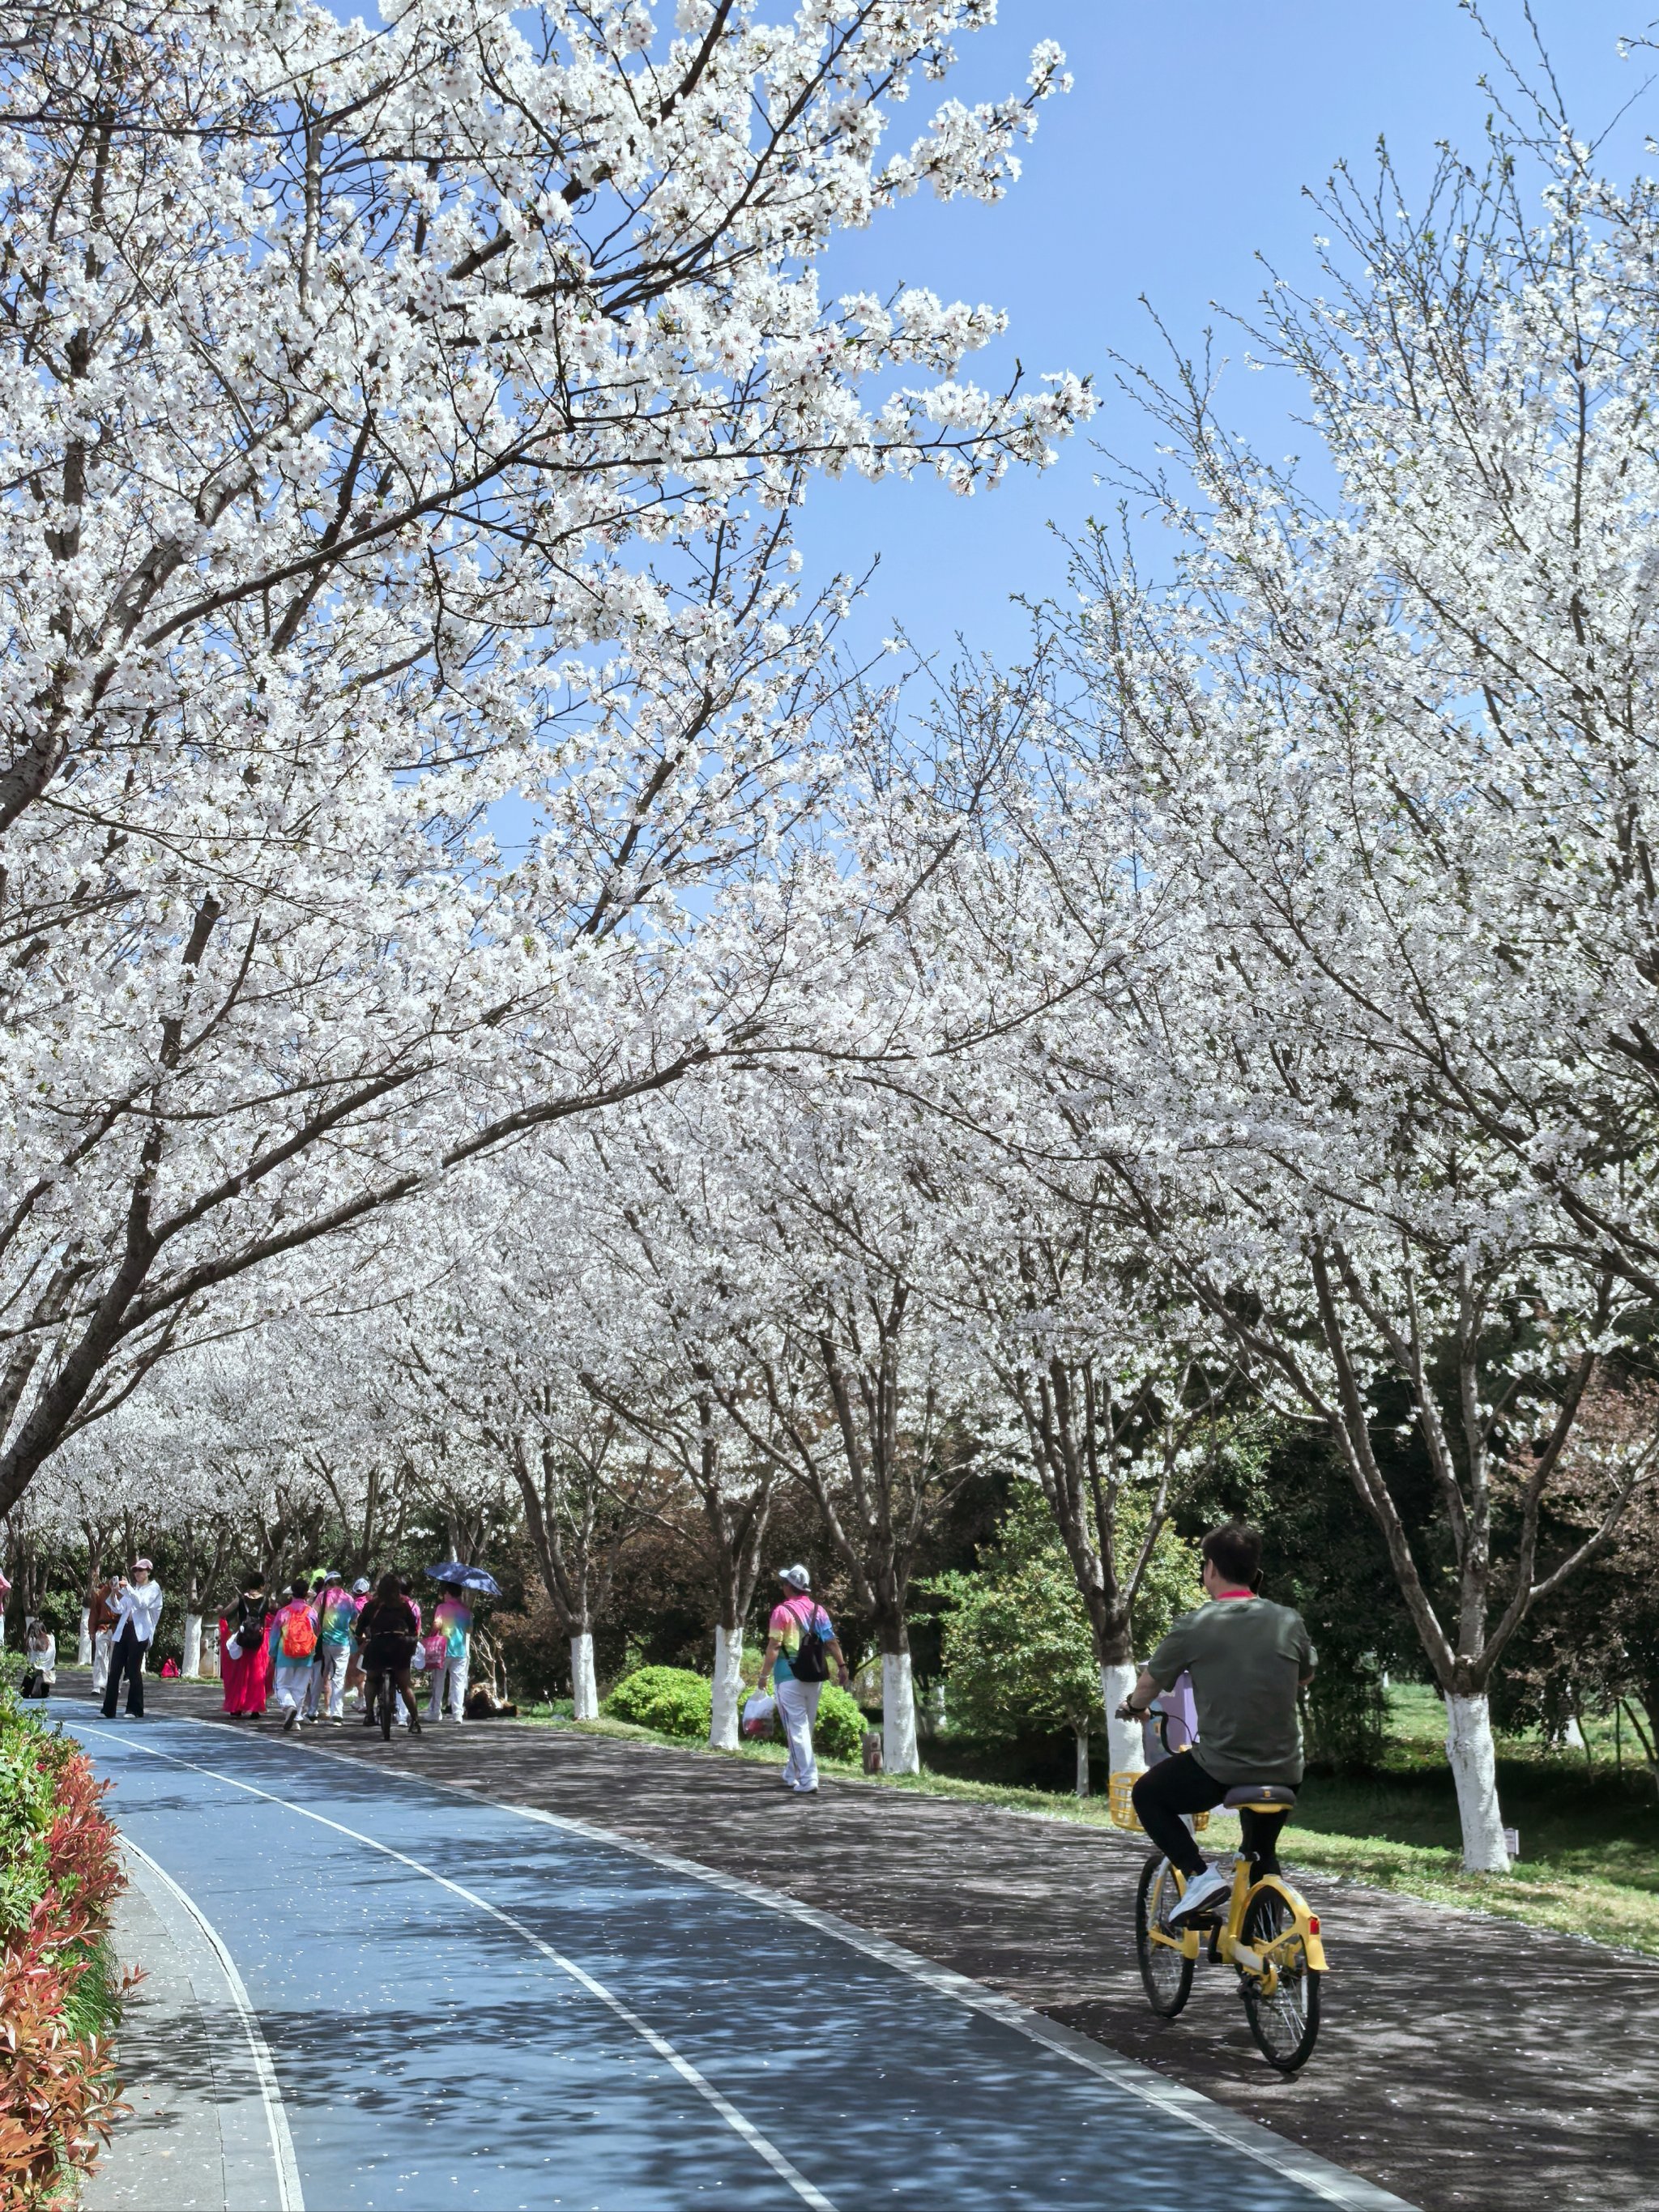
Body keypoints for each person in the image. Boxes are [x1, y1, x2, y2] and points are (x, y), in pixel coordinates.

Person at [1119, 1524, 1317, 1926]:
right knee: (1261, 1853)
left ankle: (1199, 1877)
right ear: (1255, 1571)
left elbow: (1148, 1685)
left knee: (1147, 1794)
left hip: (1221, 1768)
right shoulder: (1288, 1620)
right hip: (1285, 1770)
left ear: (1210, 1568)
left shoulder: (1195, 1624)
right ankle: (1263, 1950)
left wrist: (1134, 1706)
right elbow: (1306, 1675)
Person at [757, 1565, 850, 1796]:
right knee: (804, 1729)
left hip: (788, 1676)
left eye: (784, 1583)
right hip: (815, 1676)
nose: (783, 1587)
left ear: (789, 1587)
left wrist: (763, 1676)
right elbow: (831, 1641)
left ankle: (809, 1779)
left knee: (797, 1729)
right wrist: (842, 1666)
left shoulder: (781, 1611)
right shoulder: (819, 1610)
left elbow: (775, 1645)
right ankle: (792, 1773)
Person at [357, 1573, 423, 1733]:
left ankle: (370, 1714)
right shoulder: (403, 1605)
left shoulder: (371, 1606)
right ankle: (415, 1721)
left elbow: (359, 1629)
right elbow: (413, 1629)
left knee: (371, 1680)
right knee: (405, 1686)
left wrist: (361, 1641)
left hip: (377, 1646)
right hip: (399, 1647)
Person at [101, 1559, 164, 1719]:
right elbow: (118, 1608)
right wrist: (114, 1593)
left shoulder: (154, 1588)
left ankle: (135, 1709)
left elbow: (142, 1604)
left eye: (141, 1570)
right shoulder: (133, 1589)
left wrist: (128, 1588)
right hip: (125, 1630)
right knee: (115, 1669)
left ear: (148, 1572)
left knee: (133, 1670)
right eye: (135, 1571)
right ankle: (108, 1710)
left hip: (141, 1632)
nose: (137, 1573)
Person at [270, 1579, 320, 1734]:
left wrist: (272, 1653)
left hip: (285, 1655)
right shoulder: (312, 1612)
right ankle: (296, 1719)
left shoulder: (283, 1612)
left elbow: (275, 1635)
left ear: (292, 1594)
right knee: (300, 1688)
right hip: (306, 1656)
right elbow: (317, 1632)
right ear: (306, 1594)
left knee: (281, 1686)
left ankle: (289, 1706)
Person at [310, 1573, 358, 1724]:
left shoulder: (322, 1597)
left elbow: (312, 1616)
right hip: (342, 1644)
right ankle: (337, 1713)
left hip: (324, 1642)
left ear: (327, 1584)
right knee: (338, 1678)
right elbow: (354, 1621)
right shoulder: (349, 1599)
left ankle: (312, 1710)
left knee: (319, 1676)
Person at [427, 1582, 473, 1724]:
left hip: (443, 1650)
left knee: (439, 1682)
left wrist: (432, 1632)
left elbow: (437, 1624)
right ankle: (458, 1714)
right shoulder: (466, 1611)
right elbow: (469, 1630)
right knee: (458, 1683)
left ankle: (436, 1713)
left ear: (448, 1593)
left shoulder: (442, 1608)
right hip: (460, 1652)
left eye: (445, 1593)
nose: (444, 1596)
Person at [220, 1578, 268, 1717]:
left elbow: (224, 1613)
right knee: (257, 1674)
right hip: (259, 1642)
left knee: (241, 1674)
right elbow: (275, 1611)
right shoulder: (266, 1600)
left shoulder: (240, 1599)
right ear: (261, 1586)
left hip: (243, 1640)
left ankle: (237, 1707)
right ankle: (255, 1708)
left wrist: (220, 1610)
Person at [88, 1574, 122, 1694]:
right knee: (100, 1656)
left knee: (117, 1658)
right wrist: (91, 1630)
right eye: (112, 1579)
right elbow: (94, 1612)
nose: (114, 1581)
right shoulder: (100, 1593)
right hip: (102, 1628)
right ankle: (98, 1685)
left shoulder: (123, 1592)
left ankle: (115, 1686)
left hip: (118, 1628)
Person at [343, 1577, 373, 1710]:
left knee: (357, 1673)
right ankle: (361, 1699)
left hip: (356, 1642)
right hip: (371, 1641)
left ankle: (364, 1700)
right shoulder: (372, 1605)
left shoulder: (352, 1606)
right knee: (364, 1672)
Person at [20, 1617, 56, 1698]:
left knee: (24, 1693)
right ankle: (44, 1691)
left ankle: (29, 1689)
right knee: (44, 1695)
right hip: (49, 1668)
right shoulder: (51, 1638)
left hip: (36, 1667)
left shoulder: (32, 1641)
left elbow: (31, 1657)